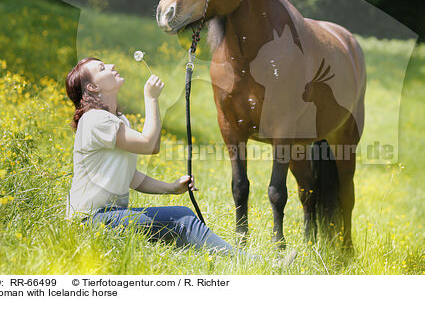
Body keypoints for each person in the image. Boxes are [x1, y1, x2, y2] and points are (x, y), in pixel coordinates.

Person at [64, 57, 297, 265]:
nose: (112, 66)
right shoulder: (94, 120)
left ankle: (223, 262)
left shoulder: (118, 120)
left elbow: (131, 176)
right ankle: (257, 264)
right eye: (102, 68)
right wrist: (151, 99)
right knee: (181, 218)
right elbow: (149, 145)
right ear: (93, 87)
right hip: (91, 220)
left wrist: (171, 188)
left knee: (179, 217)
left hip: (111, 216)